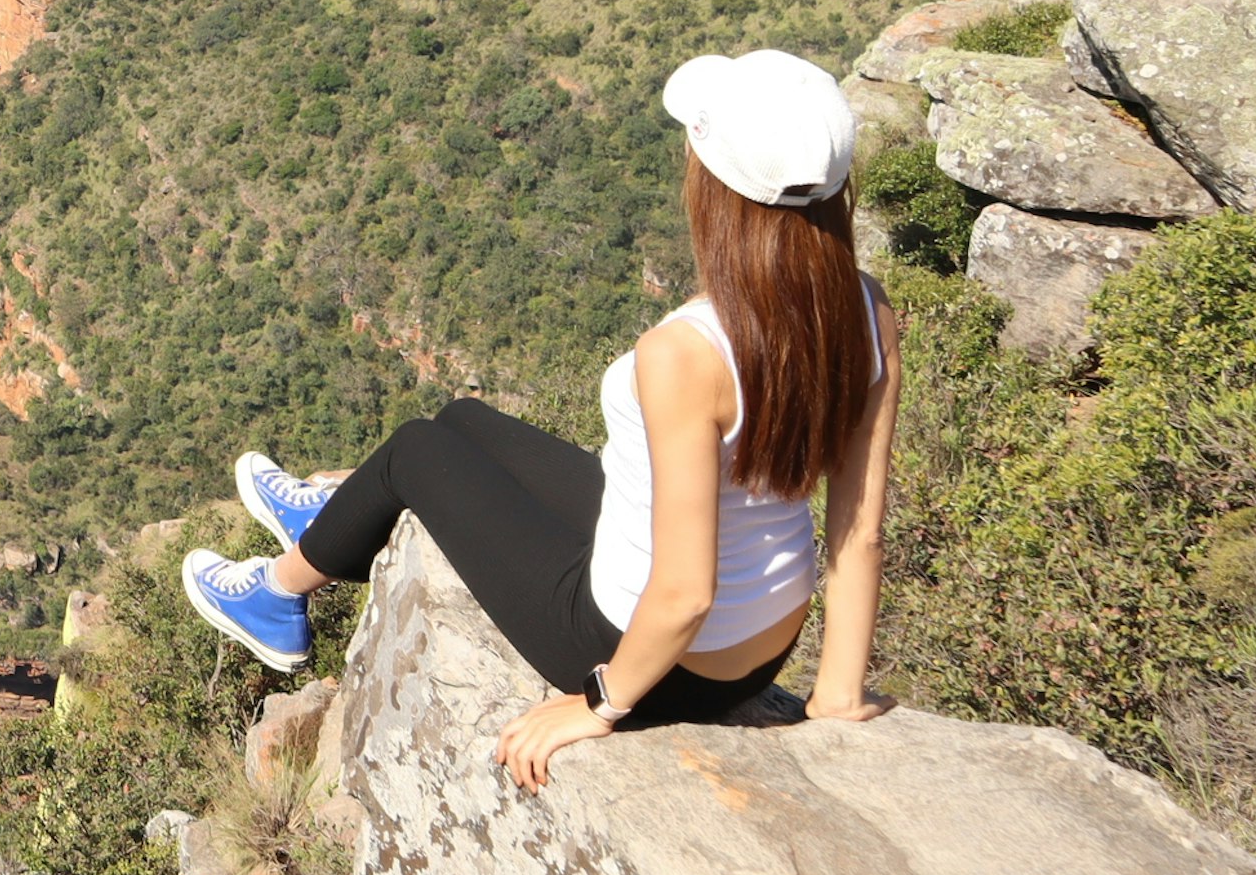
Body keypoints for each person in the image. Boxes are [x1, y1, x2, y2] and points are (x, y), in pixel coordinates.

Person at [178, 48, 902, 789]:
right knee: (464, 419)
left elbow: (685, 593)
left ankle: (277, 596)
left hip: (640, 648)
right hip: (765, 642)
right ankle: (331, 524)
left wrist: (601, 702)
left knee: (417, 452)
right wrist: (837, 694)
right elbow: (860, 527)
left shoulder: (686, 354)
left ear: (715, 188)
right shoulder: (868, 309)